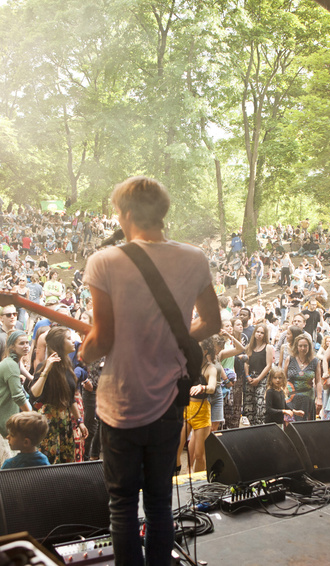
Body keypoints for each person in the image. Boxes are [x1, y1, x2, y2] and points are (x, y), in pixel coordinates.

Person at [79, 176, 220, 566]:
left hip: (120, 402)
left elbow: (101, 341)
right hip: (168, 400)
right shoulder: (194, 258)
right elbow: (211, 322)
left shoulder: (104, 261)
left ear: (125, 214)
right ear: (162, 213)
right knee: (159, 501)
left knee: (122, 505)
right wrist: (169, 338)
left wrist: (82, 349)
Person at [0, 331, 33, 488]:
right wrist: (34, 416)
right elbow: (18, 396)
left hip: (5, 420)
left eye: (27, 343)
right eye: (21, 343)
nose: (25, 346)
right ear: (11, 347)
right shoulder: (9, 365)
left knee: (3, 471)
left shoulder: (13, 363)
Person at [0, 411, 50, 519]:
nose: (7, 437)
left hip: (10, 514)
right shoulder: (44, 461)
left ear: (26, 442)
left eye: (12, 435)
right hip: (33, 512)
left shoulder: (10, 464)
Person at [29, 326, 88, 464]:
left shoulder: (67, 365)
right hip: (48, 422)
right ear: (59, 343)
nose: (73, 341)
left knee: (65, 460)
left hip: (65, 421)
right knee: (50, 460)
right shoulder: (44, 366)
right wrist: (46, 370)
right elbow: (35, 393)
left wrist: (80, 422)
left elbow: (70, 398)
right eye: (68, 339)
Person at [176, 337, 218, 473]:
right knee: (175, 449)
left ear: (205, 351)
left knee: (200, 455)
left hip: (202, 412)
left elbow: (212, 387)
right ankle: (174, 479)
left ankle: (198, 483)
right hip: (186, 410)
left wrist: (202, 387)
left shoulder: (210, 368)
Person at [281, 334, 321, 421]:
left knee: (306, 426)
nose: (303, 348)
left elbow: (318, 381)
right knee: (291, 425)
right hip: (291, 398)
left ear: (309, 347)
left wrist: (319, 399)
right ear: (296, 346)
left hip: (308, 399)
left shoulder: (315, 361)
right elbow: (284, 379)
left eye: (305, 346)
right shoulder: (290, 359)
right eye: (300, 346)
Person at [242, 323, 274, 426]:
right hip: (250, 377)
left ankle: (259, 426)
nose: (259, 334)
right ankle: (251, 426)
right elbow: (246, 362)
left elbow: (269, 365)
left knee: (260, 404)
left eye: (262, 333)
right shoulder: (249, 346)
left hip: (263, 378)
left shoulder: (268, 347)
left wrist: (258, 379)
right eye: (258, 332)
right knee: (249, 404)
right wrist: (247, 376)